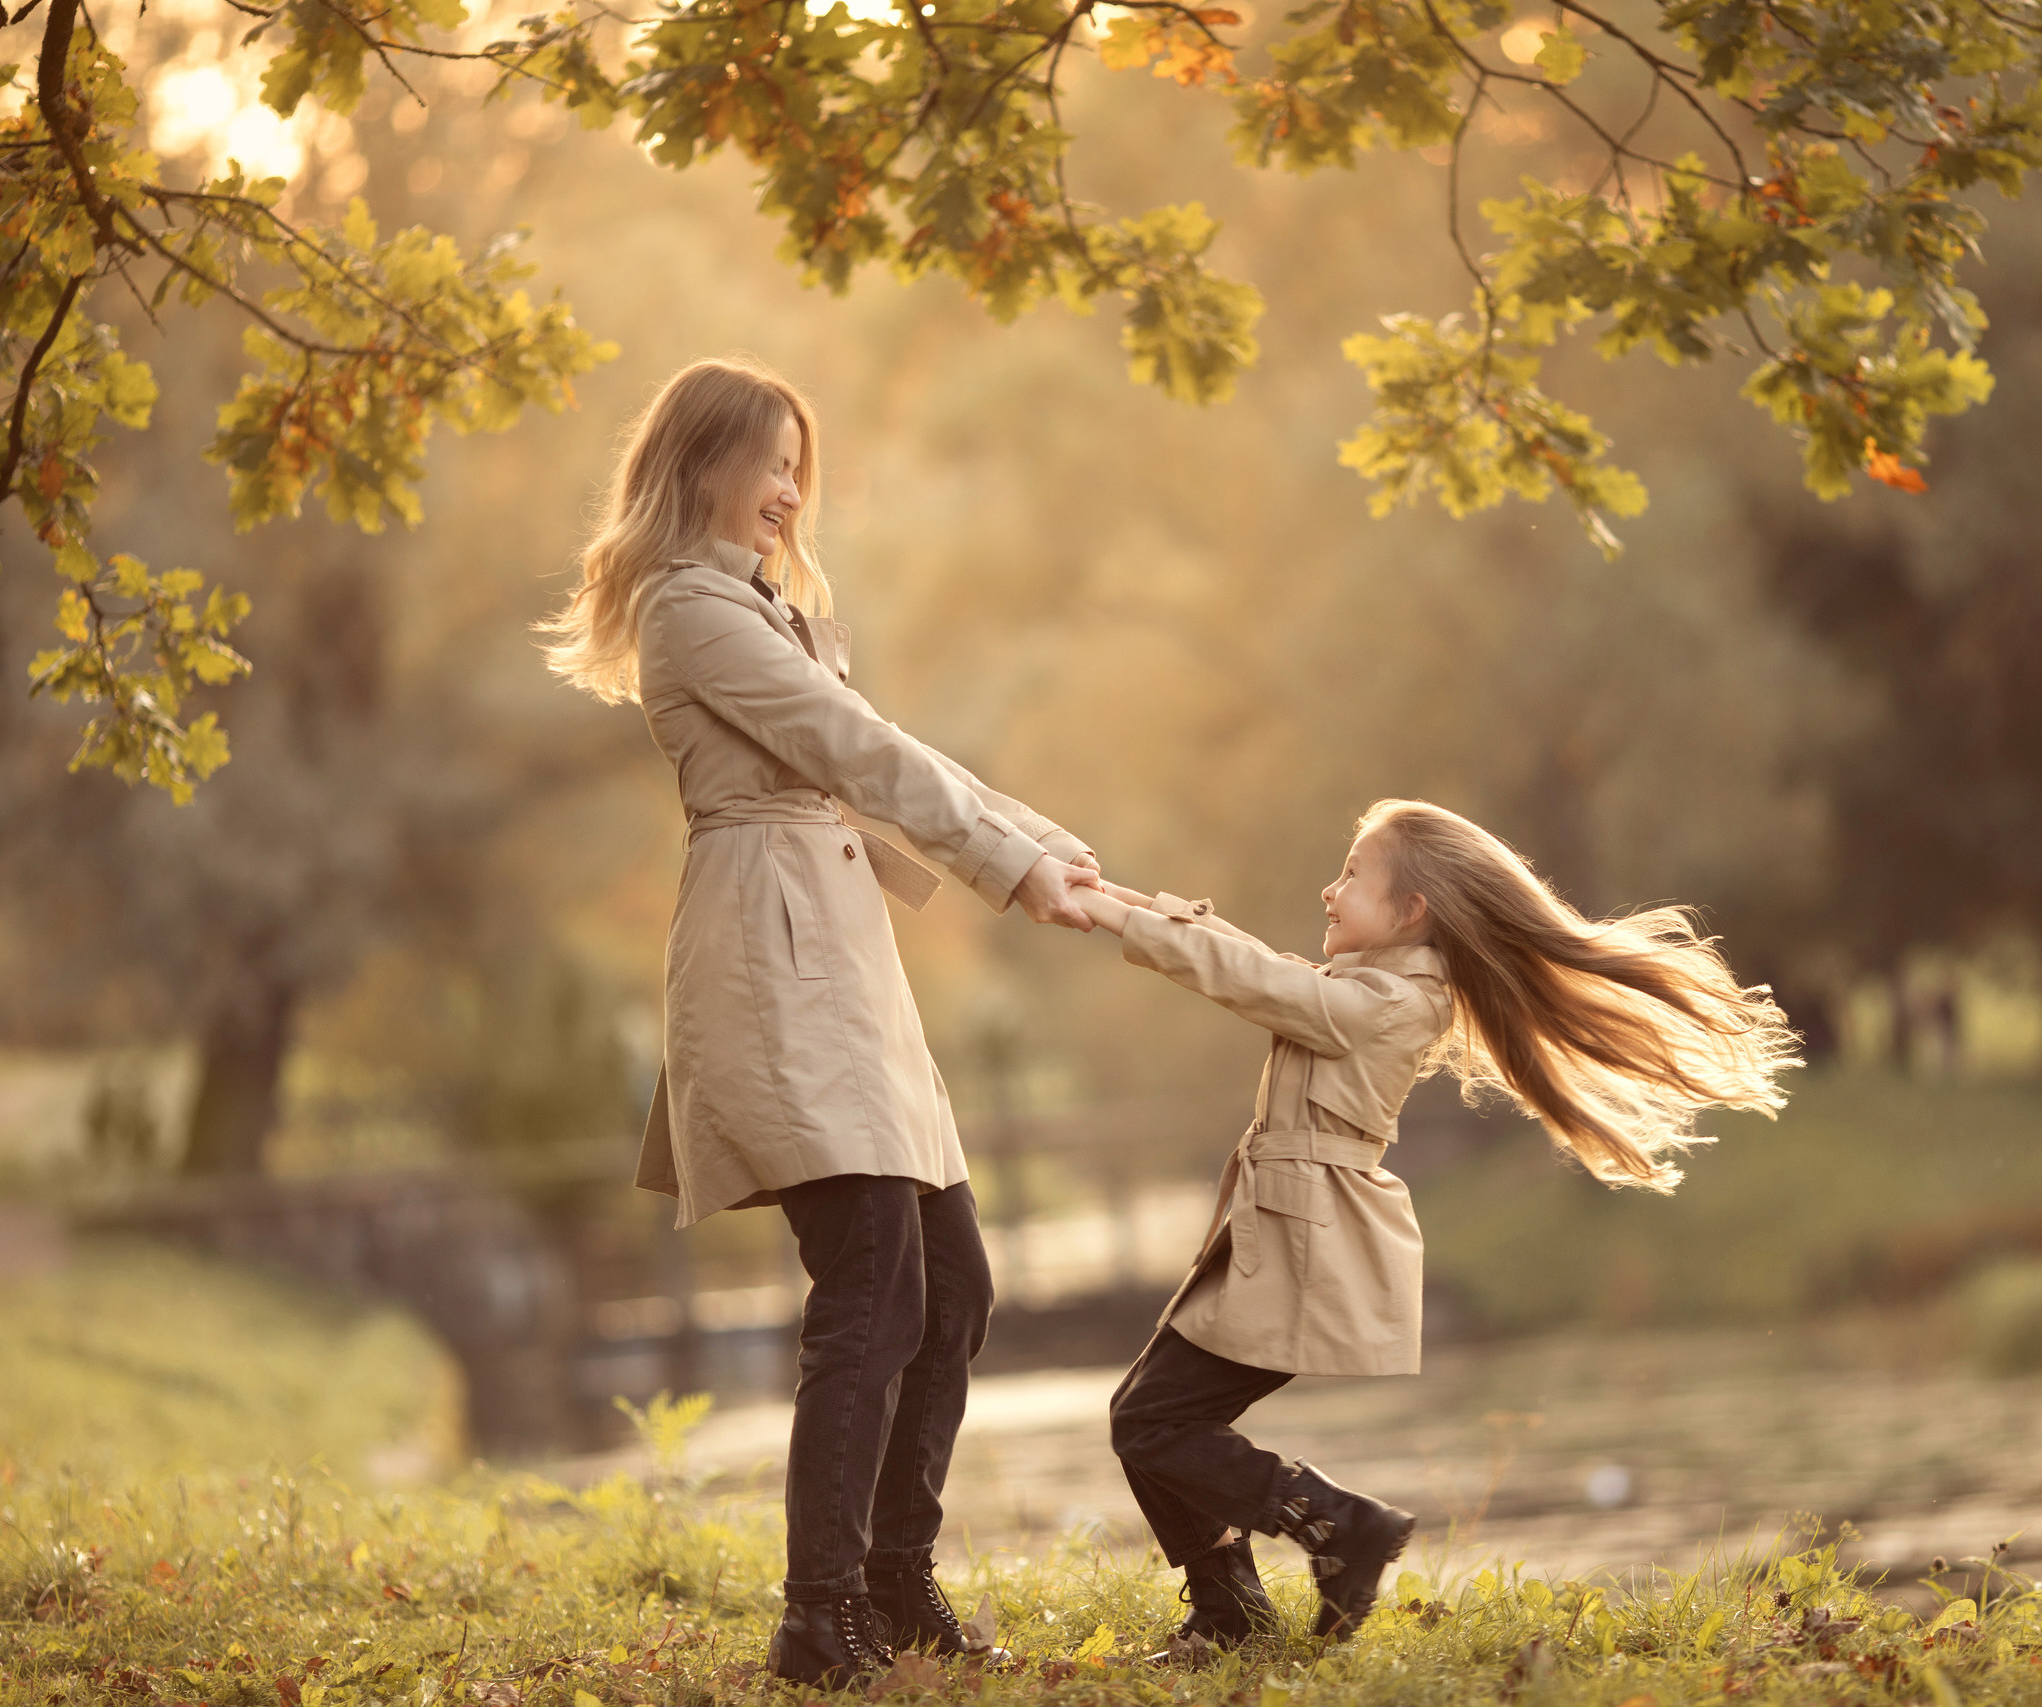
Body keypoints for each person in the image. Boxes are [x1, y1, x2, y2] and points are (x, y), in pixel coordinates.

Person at [538, 356, 1103, 1689]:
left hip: (843, 955)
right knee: (869, 1284)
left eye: (802, 462)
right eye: (768, 460)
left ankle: (896, 1584)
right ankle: (819, 1611)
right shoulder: (693, 611)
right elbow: (861, 755)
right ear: (701, 467)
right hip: (774, 956)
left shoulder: (772, 611)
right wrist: (1004, 862)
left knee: (950, 1278)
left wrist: (1043, 842)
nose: (791, 488)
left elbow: (878, 741)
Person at [1072, 800, 1799, 1652]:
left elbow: (1258, 980)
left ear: (1411, 911)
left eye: (1351, 875)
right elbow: (1264, 962)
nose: (1329, 888)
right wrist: (1111, 896)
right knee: (1148, 1415)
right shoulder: (1367, 987)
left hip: (1309, 1239)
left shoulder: (1393, 1002)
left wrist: (1118, 916)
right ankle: (1233, 1608)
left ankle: (1339, 1527)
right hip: (1281, 1224)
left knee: (1152, 1420)